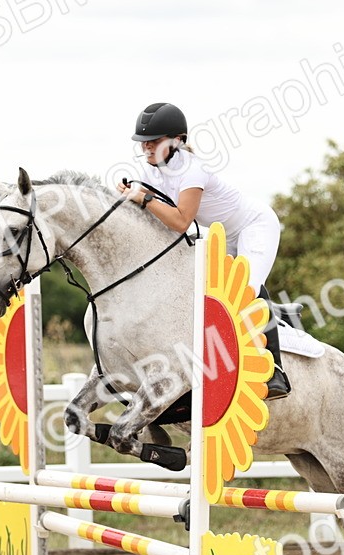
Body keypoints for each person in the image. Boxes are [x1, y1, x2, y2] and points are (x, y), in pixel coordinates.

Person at [118, 101, 291, 400]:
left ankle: (276, 371)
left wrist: (143, 199)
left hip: (253, 227)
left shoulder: (192, 170)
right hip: (219, 235)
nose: (147, 148)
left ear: (177, 141)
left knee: (245, 289)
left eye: (154, 142)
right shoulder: (151, 171)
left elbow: (182, 220)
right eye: (144, 143)